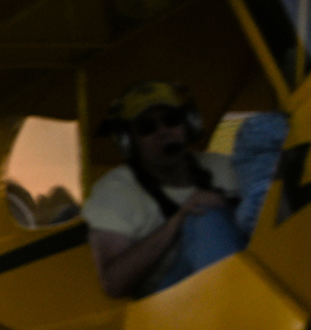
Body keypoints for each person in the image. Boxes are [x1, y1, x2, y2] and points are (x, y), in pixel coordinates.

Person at [85, 81, 239, 297]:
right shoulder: (114, 192)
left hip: (239, 278)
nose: (163, 132)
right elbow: (113, 283)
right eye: (147, 127)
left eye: (171, 120)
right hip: (169, 306)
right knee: (206, 218)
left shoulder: (226, 167)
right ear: (128, 141)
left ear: (188, 124)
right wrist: (180, 219)